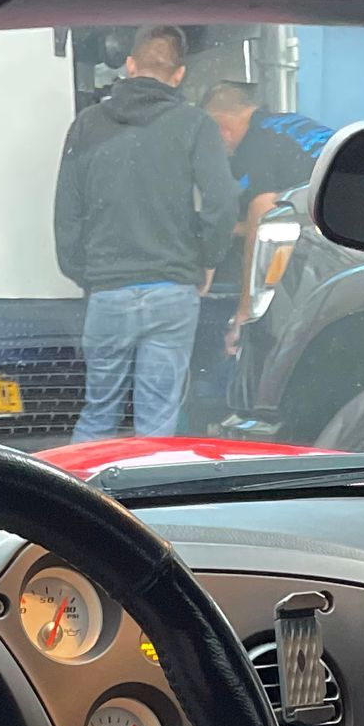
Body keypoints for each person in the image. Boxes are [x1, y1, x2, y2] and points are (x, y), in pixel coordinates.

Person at [54, 25, 239, 442]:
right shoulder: (195, 125)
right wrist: (206, 259)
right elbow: (222, 201)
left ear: (131, 65)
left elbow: (67, 213)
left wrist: (88, 275)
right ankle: (150, 504)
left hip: (109, 292)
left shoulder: (86, 125)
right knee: (157, 423)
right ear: (178, 75)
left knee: (98, 412)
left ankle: (81, 498)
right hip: (171, 290)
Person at [202, 84, 333, 356]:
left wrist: (245, 312)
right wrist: (237, 228)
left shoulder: (255, 142)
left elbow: (264, 221)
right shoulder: (285, 126)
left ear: (222, 128)